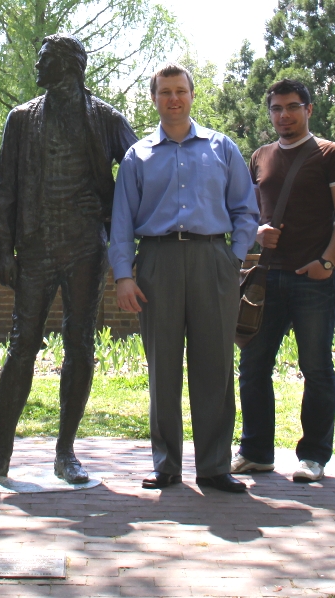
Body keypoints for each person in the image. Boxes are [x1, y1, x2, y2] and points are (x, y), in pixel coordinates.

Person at [0, 34, 138, 486]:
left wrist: (115, 218)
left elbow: (141, 170)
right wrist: (4, 248)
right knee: (21, 346)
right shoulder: (22, 119)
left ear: (68, 66)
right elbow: (4, 186)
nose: (37, 67)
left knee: (80, 345)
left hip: (85, 248)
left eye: (44, 60)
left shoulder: (105, 118)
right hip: (37, 247)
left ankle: (66, 453)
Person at [110, 63, 259, 492]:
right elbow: (121, 223)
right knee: (163, 367)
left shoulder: (221, 148)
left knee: (215, 365)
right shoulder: (137, 157)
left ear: (192, 95)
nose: (173, 99)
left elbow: (245, 210)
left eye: (181, 91)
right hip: (157, 264)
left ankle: (214, 467)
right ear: (154, 98)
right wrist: (123, 275)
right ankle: (166, 465)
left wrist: (232, 258)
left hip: (214, 259)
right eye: (165, 92)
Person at [234, 79, 335, 483]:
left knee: (316, 367)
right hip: (267, 279)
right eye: (276, 108)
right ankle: (256, 452)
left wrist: (327, 261)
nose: (284, 115)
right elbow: (249, 214)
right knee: (252, 366)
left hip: (313, 280)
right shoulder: (260, 156)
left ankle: (314, 456)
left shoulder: (332, 155)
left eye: (292, 106)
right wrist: (257, 233)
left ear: (309, 109)